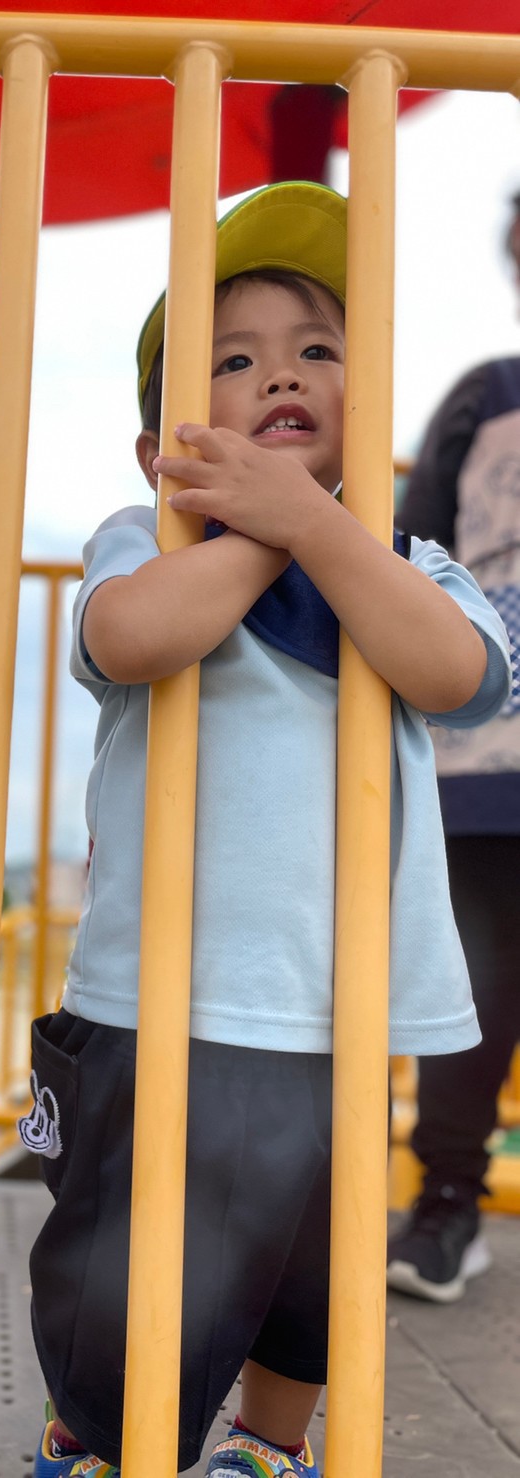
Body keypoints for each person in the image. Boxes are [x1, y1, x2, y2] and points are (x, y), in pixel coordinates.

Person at [16, 183, 512, 1478]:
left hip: (332, 1006)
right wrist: (266, 525)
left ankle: (269, 1444)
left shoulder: (405, 563)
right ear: (159, 449)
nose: (279, 373)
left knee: (313, 1261)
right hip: (155, 998)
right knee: (121, 1263)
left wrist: (318, 522)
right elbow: (132, 635)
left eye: (317, 350)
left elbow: (458, 673)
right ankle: (99, 1437)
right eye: (231, 362)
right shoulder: (145, 541)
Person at [386, 192, 520, 1304]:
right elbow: (411, 546)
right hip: (490, 745)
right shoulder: (488, 394)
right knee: (476, 977)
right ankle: (445, 1199)